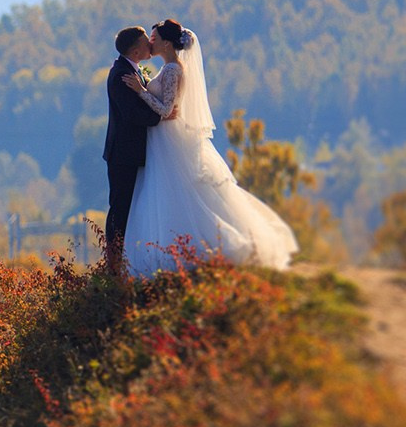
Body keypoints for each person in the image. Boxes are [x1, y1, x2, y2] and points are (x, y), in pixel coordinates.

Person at [120, 18, 297, 273]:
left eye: (154, 38)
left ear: (167, 43)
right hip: (162, 138)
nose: (150, 42)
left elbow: (166, 109)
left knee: (175, 193)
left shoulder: (172, 70)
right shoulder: (168, 68)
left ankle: (187, 250)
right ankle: (170, 250)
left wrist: (141, 91)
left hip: (168, 139)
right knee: (168, 193)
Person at [102, 25, 164, 272]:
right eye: (146, 42)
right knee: (120, 208)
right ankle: (113, 264)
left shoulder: (132, 70)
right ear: (136, 51)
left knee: (130, 207)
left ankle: (125, 261)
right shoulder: (120, 75)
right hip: (123, 154)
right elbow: (132, 114)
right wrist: (161, 115)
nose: (151, 45)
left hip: (132, 153)